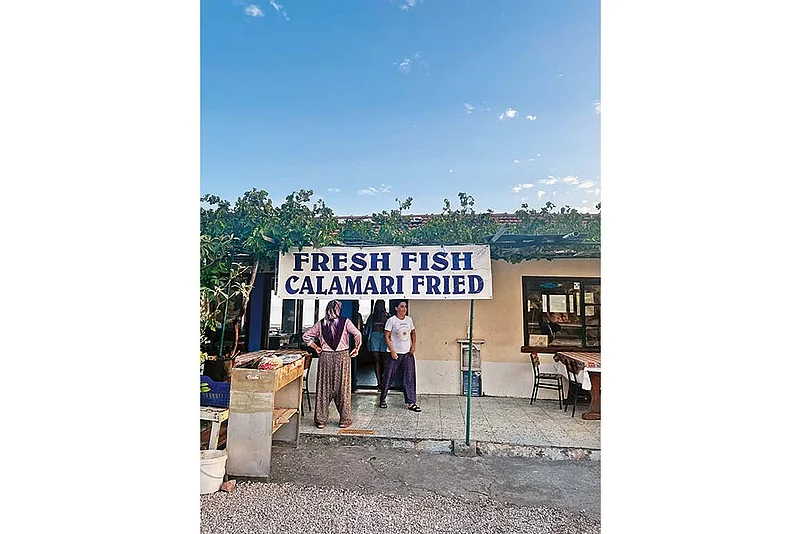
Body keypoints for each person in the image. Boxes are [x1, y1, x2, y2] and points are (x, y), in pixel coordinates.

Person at [302, 300, 362, 428]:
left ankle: (321, 420)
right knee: (343, 388)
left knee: (324, 388)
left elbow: (306, 336)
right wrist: (356, 348)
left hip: (326, 357)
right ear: (338, 309)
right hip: (342, 357)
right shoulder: (346, 322)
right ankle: (344, 420)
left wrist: (316, 347)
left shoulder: (321, 323)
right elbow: (357, 334)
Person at [379, 300, 421, 412]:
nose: (404, 309)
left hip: (407, 353)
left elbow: (413, 332)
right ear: (396, 308)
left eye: (405, 307)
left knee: (409, 377)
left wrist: (413, 346)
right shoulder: (391, 320)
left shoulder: (409, 320)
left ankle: (411, 402)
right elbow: (386, 336)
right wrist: (392, 350)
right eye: (401, 307)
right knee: (388, 376)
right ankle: (382, 398)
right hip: (394, 353)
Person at [364, 299, 390, 389]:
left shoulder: (387, 316)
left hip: (384, 337)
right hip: (374, 337)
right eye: (378, 305)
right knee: (376, 359)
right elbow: (366, 328)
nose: (380, 307)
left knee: (384, 360)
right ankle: (379, 382)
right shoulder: (372, 316)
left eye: (381, 305)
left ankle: (384, 381)